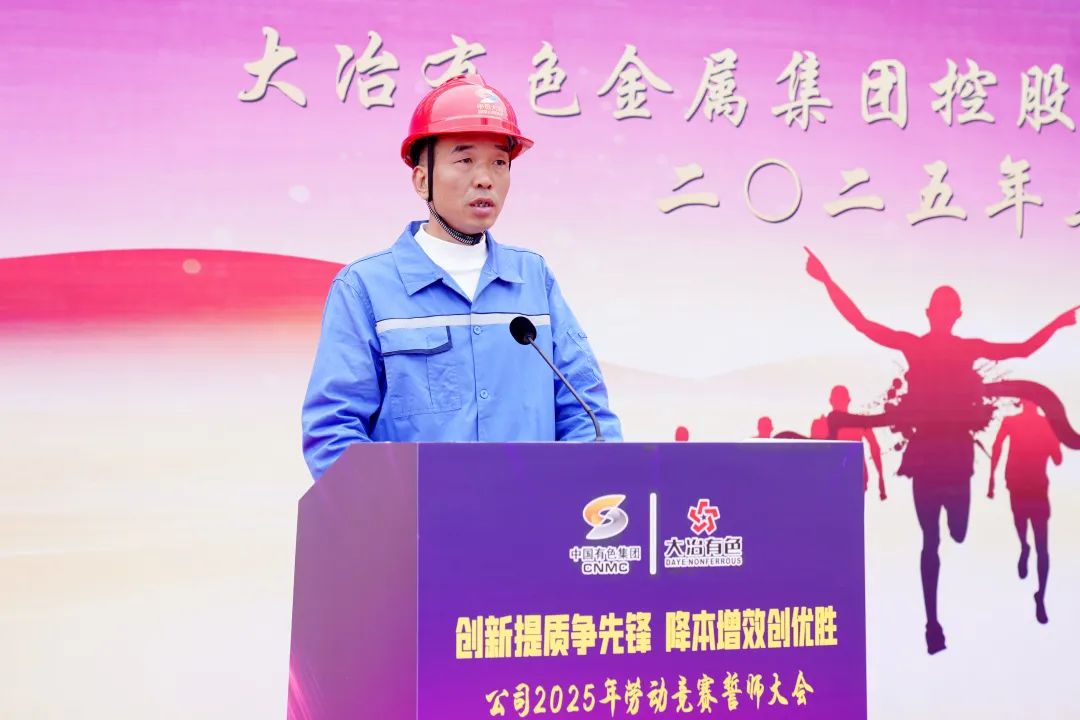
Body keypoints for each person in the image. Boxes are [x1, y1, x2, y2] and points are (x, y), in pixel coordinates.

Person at [302, 75, 621, 479]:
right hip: (415, 518)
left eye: (499, 163)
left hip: (532, 514)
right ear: (422, 180)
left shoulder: (533, 280)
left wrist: (574, 496)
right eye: (465, 160)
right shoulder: (365, 288)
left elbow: (588, 417)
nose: (485, 178)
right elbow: (333, 433)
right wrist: (396, 508)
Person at [805, 246, 1075, 654]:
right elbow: (862, 324)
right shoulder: (923, 348)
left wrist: (1057, 322)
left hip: (950, 457)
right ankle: (932, 623)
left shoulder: (957, 348)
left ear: (944, 315)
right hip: (932, 457)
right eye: (943, 310)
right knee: (933, 539)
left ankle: (933, 617)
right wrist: (826, 280)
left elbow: (863, 324)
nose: (944, 315)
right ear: (935, 314)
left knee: (953, 534)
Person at [988, 400, 1063, 624]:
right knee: (1037, 542)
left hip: (1028, 486)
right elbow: (1057, 459)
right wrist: (991, 478)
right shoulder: (1031, 423)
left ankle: (1041, 594)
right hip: (1025, 485)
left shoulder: (1034, 423)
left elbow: (1056, 458)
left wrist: (992, 478)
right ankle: (1025, 549)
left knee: (1038, 542)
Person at [810, 385, 886, 499]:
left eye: (841, 400)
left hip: (854, 477)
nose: (840, 403)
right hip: (835, 478)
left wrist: (880, 477)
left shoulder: (858, 422)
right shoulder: (822, 424)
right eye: (838, 400)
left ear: (831, 401)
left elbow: (874, 446)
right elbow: (813, 455)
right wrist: (880, 477)